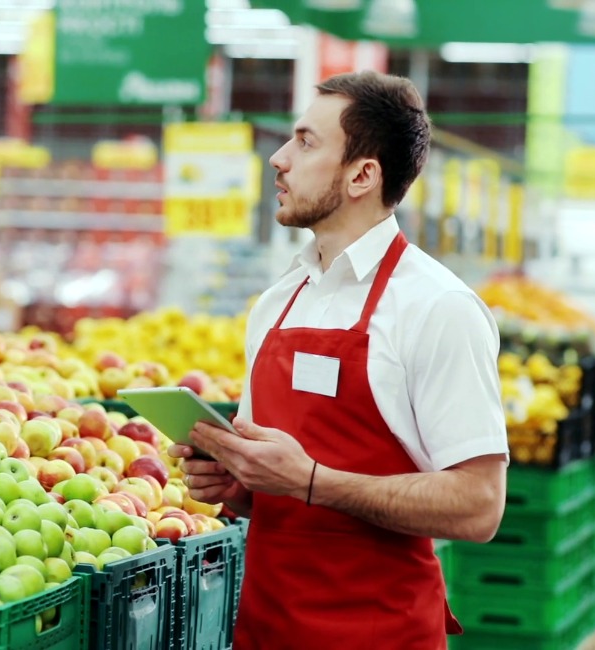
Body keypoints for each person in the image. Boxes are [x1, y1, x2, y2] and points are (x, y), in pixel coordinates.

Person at [168, 71, 509, 649]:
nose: (278, 159)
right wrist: (236, 481)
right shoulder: (278, 302)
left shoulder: (436, 307)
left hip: (381, 634)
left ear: (362, 175)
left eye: (304, 142)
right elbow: (278, 487)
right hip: (265, 630)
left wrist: (313, 482)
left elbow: (479, 506)